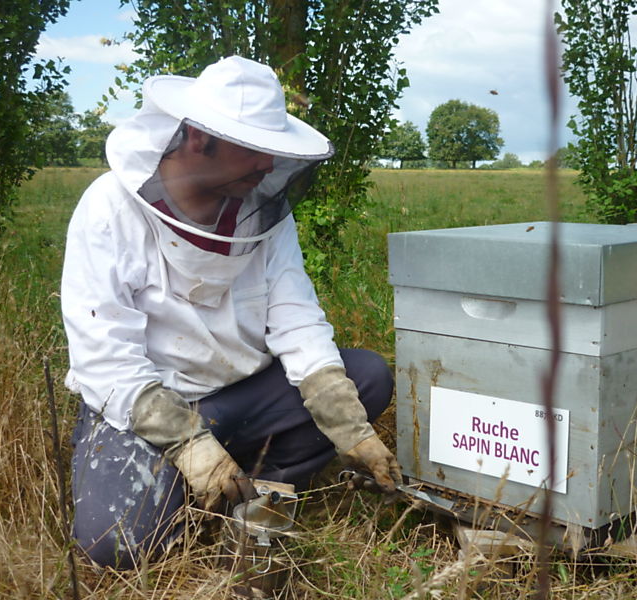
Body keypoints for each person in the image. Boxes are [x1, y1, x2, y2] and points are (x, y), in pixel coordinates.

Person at [61, 55, 402, 570]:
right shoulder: (109, 208)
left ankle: (258, 488)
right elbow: (104, 358)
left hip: (244, 396)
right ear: (200, 138)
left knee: (366, 377)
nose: (269, 165)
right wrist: (187, 445)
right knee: (115, 544)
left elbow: (295, 316)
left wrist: (349, 426)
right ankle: (191, 479)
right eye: (255, 149)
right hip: (148, 403)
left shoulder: (260, 211)